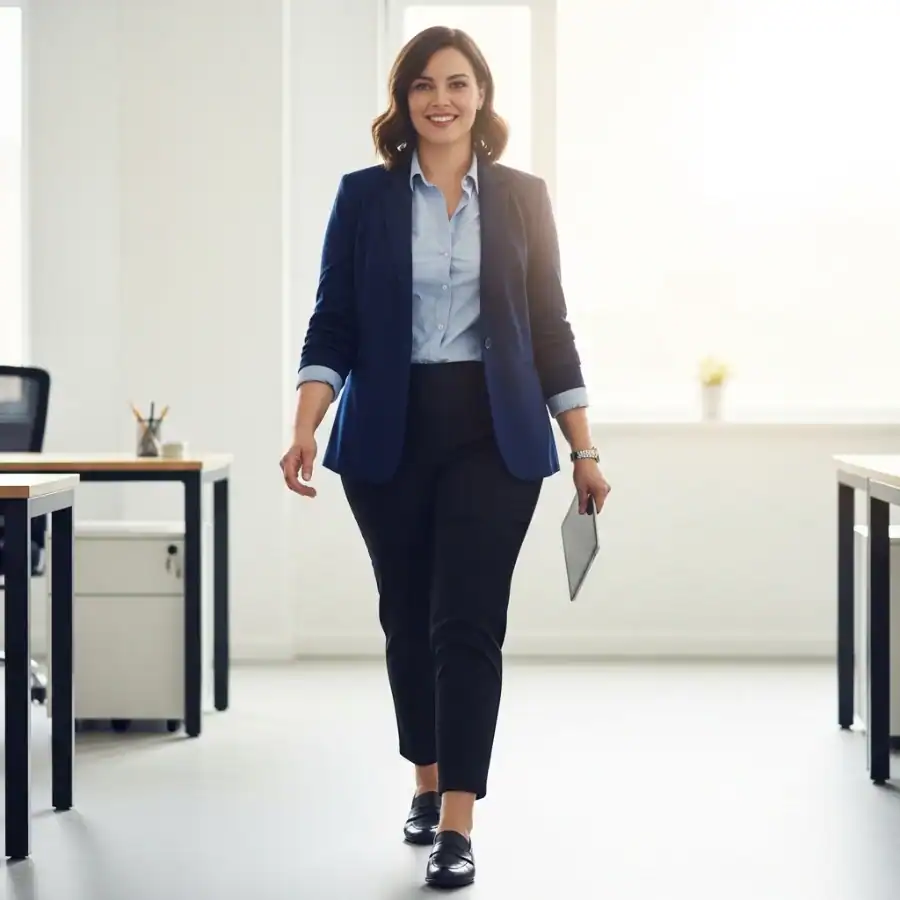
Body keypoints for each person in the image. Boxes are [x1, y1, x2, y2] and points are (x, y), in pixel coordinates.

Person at [280, 24, 610, 889]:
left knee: (467, 619)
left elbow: (550, 330)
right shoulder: (364, 198)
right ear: (404, 100)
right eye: (424, 84)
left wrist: (583, 447)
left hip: (493, 432)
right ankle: (424, 779)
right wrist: (306, 423)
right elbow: (333, 322)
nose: (442, 99)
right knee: (406, 616)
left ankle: (457, 823)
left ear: (482, 95)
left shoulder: (524, 198)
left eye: (458, 83)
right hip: (388, 431)